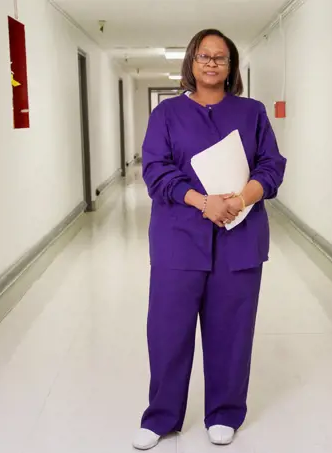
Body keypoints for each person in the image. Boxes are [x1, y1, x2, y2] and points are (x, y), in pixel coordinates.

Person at [132, 28, 287, 450]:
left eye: (221, 57)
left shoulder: (252, 112)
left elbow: (271, 167)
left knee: (232, 331)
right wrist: (204, 203)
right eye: (204, 56)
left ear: (231, 65)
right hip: (178, 240)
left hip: (239, 239)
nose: (212, 63)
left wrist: (239, 198)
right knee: (167, 330)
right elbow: (156, 171)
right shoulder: (166, 116)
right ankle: (161, 416)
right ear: (192, 63)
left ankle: (224, 412)